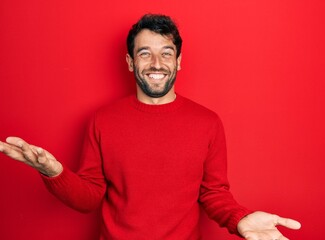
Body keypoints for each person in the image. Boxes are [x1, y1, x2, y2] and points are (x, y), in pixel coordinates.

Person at [0, 14, 301, 240]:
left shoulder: (207, 122)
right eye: (145, 53)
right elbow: (89, 198)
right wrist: (53, 173)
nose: (156, 63)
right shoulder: (102, 120)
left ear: (179, 61)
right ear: (131, 62)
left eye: (166, 53)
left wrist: (240, 220)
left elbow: (213, 194)